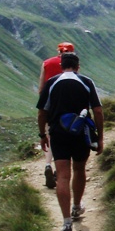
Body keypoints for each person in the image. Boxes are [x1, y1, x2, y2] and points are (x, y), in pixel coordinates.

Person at [37, 52, 104, 231]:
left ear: (61, 66)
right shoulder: (86, 82)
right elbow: (97, 111)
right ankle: (76, 207)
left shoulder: (52, 83)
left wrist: (43, 135)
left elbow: (42, 112)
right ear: (78, 66)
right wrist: (100, 137)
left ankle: (66, 223)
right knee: (80, 169)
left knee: (63, 176)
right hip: (80, 132)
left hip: (58, 133)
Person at [39, 42, 76, 188]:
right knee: (68, 134)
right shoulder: (73, 64)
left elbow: (41, 87)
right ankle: (62, 170)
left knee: (50, 134)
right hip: (68, 105)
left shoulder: (47, 63)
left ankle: (48, 164)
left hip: (50, 104)